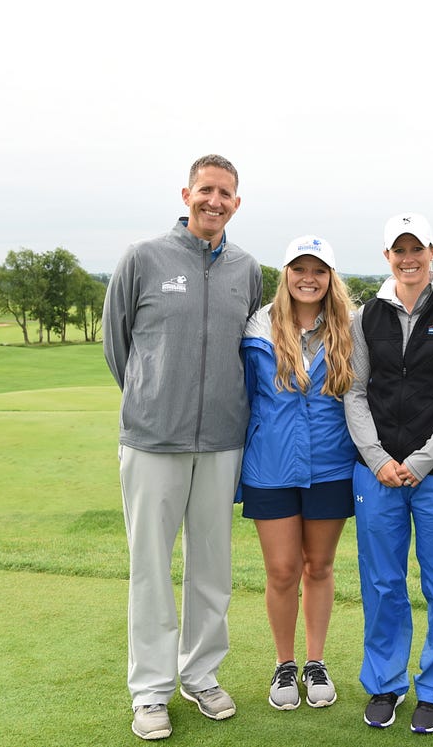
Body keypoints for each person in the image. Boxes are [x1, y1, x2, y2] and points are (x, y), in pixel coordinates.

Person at [103, 154, 262, 741]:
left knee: (212, 569)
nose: (213, 201)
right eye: (205, 191)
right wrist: (151, 400)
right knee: (150, 568)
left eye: (224, 193)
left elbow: (248, 348)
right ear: (186, 193)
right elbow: (117, 347)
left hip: (222, 440)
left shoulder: (247, 268)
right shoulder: (143, 258)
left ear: (236, 202)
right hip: (151, 441)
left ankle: (201, 675)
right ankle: (150, 691)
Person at [344, 213, 433, 735]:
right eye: (398, 250)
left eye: (417, 249)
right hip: (375, 473)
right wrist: (378, 457)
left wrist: (421, 461)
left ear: (432, 251)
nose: (408, 258)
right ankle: (385, 683)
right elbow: (355, 391)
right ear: (387, 257)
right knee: (382, 581)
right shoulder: (365, 318)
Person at [239, 235, 356, 712]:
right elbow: (244, 396)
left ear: (331, 278)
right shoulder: (257, 327)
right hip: (271, 466)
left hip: (331, 465)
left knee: (320, 566)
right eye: (299, 268)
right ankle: (284, 664)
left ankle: (315, 661)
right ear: (285, 274)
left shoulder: (351, 324)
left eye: (319, 270)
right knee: (283, 570)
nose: (309, 278)